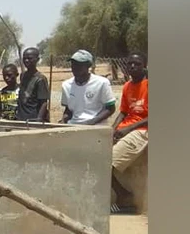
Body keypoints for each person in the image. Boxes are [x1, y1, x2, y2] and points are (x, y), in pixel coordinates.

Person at [111, 53, 148, 212]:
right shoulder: (127, 86)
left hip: (142, 131)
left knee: (106, 162)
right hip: (126, 129)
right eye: (130, 63)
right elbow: (123, 112)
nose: (133, 67)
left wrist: (128, 129)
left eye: (137, 64)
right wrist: (112, 129)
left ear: (144, 66)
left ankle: (124, 196)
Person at [60, 49, 116, 125]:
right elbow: (69, 110)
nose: (75, 67)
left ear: (88, 65)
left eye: (79, 64)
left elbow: (111, 109)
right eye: (73, 64)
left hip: (95, 126)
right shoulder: (66, 85)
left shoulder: (102, 83)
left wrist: (91, 122)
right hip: (73, 125)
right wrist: (63, 120)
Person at [16, 47, 51, 122]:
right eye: (24, 58)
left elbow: (44, 102)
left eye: (29, 58)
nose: (26, 61)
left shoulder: (40, 79)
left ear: (37, 59)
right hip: (21, 117)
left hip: (33, 118)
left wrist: (39, 119)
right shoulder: (23, 75)